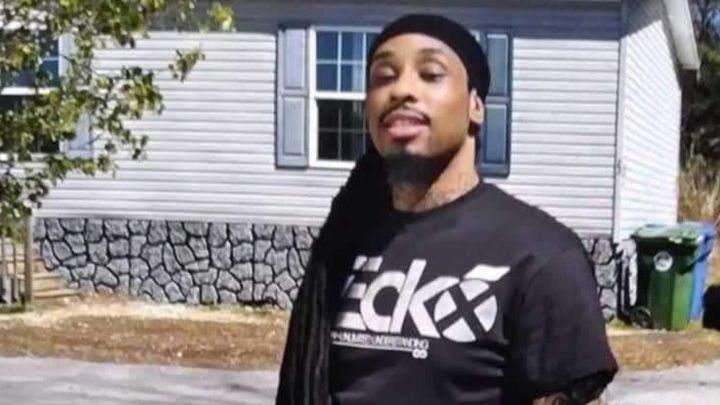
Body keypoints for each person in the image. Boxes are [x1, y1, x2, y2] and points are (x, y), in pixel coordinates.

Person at [276, 14, 618, 405]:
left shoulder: (543, 256)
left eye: (431, 73)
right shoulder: (343, 243)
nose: (401, 89)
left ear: (476, 105)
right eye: (383, 77)